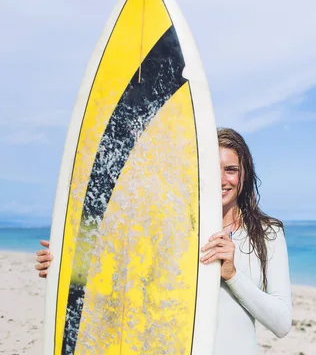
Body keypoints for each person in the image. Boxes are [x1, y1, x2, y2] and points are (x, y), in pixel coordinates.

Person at [35, 127, 292, 354]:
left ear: (244, 175)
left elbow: (281, 323)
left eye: (231, 170)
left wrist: (233, 275)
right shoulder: (175, 230)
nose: (222, 180)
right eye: (213, 170)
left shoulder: (267, 233)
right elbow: (123, 283)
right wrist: (65, 271)